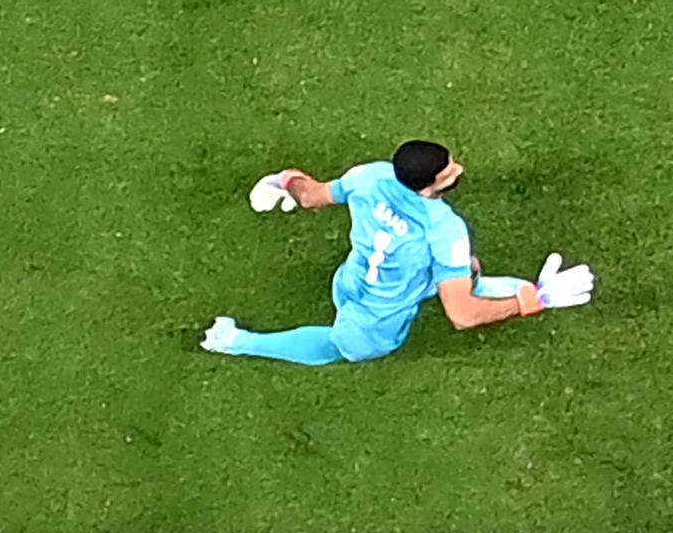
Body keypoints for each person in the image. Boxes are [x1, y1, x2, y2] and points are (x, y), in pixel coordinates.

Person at [202, 140, 591, 365]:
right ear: (426, 188)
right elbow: (462, 316)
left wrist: (287, 179)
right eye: (448, 171)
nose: (458, 169)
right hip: (376, 322)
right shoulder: (444, 228)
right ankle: (236, 342)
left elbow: (314, 197)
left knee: (466, 272)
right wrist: (527, 304)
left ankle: (495, 283)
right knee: (339, 347)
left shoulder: (370, 175)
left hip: (351, 280)